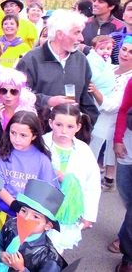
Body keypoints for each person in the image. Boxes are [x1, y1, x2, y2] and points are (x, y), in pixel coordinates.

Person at [16, 9, 99, 126]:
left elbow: (87, 100)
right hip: (38, 134)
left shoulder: (80, 59)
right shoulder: (31, 60)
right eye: (77, 33)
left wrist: (84, 130)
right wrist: (47, 101)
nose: (81, 38)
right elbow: (18, 96)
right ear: (60, 34)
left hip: (71, 136)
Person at [43, 103, 100, 253]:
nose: (63, 131)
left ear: (78, 127)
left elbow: (92, 184)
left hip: (67, 210)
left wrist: (88, 215)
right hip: (42, 207)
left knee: (56, 248)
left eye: (70, 126)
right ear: (50, 123)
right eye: (59, 124)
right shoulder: (41, 144)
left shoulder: (83, 150)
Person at [0, 112, 57, 220]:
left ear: (34, 136)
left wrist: (27, 212)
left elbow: (47, 191)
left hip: (28, 216)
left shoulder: (42, 160)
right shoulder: (1, 151)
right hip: (1, 211)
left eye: (23, 135)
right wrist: (15, 206)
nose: (16, 139)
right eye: (13, 133)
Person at [89, 36, 132, 191]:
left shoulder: (130, 78)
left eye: (131, 52)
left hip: (109, 128)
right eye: (124, 49)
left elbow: (114, 106)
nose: (126, 54)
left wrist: (95, 92)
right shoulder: (109, 67)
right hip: (93, 121)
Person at [0, 179, 67, 272]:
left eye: (36, 217)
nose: (26, 218)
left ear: (48, 225)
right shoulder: (11, 225)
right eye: (23, 211)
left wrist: (22, 269)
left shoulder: (50, 258)